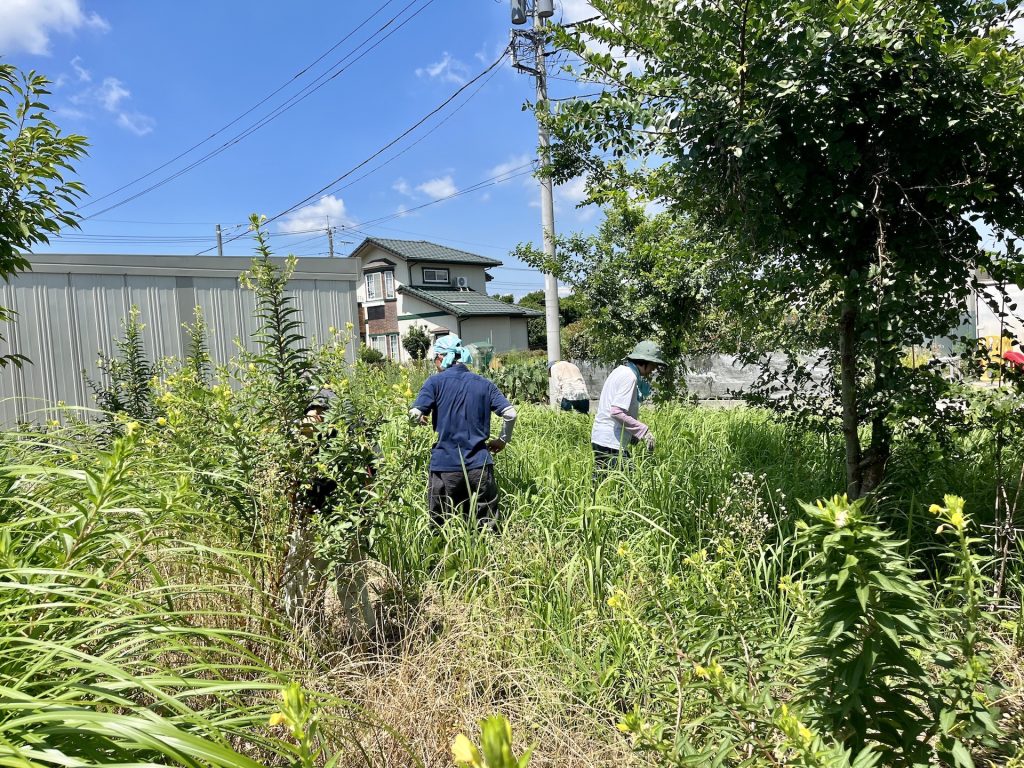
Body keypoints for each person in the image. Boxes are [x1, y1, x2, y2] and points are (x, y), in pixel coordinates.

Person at [409, 335, 517, 526]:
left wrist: (419, 419)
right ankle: (489, 553)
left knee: (441, 524)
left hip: (445, 466)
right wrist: (502, 440)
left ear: (441, 357)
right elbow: (510, 414)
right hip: (479, 465)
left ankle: (443, 554)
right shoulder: (484, 384)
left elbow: (414, 414)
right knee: (487, 523)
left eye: (434, 359)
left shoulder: (434, 383)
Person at [591, 340, 666, 471]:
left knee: (603, 483)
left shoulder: (620, 371)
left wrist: (631, 434)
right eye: (653, 365)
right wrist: (643, 431)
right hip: (610, 442)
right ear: (645, 361)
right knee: (627, 482)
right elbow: (616, 411)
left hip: (602, 438)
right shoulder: (629, 377)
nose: (653, 370)